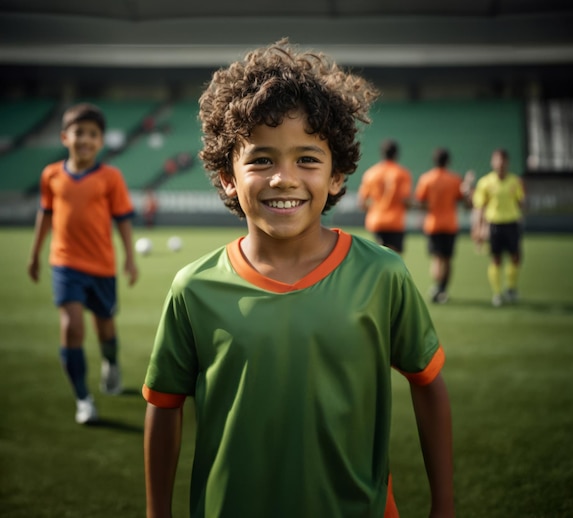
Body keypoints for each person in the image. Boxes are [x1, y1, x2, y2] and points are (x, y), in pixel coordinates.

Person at [143, 40, 454, 518]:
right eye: (261, 160)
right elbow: (164, 407)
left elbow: (427, 382)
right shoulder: (194, 288)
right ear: (228, 175)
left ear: (337, 175)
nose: (283, 178)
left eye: (307, 159)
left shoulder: (383, 274)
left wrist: (444, 506)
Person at [27, 103, 138, 424]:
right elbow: (45, 215)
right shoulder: (51, 175)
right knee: (72, 326)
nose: (85, 140)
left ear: (101, 142)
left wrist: (130, 258)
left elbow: (123, 219)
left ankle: (111, 365)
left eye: (92, 134)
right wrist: (34, 254)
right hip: (64, 263)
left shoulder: (111, 177)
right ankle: (83, 399)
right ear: (65, 137)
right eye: (79, 133)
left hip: (102, 265)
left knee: (105, 328)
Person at [415, 148, 473, 304]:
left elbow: (420, 202)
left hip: (433, 224)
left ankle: (436, 287)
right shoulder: (455, 179)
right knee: (447, 259)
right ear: (448, 161)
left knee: (436, 258)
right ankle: (443, 289)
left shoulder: (426, 179)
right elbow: (467, 203)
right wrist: (468, 187)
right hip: (449, 224)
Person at [471, 148, 525, 307]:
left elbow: (520, 202)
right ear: (492, 162)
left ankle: (511, 288)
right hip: (494, 225)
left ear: (507, 162)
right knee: (496, 259)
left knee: (515, 257)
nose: (500, 163)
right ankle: (497, 293)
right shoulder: (485, 182)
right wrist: (478, 228)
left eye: (503, 160)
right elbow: (480, 207)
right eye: (497, 160)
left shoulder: (515, 181)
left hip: (512, 223)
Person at [357, 139, 413, 253]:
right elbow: (406, 200)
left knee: (380, 256)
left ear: (382, 153)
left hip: (377, 220)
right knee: (394, 259)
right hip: (395, 222)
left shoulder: (371, 173)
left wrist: (374, 209)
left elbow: (362, 203)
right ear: (396, 154)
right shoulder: (402, 173)